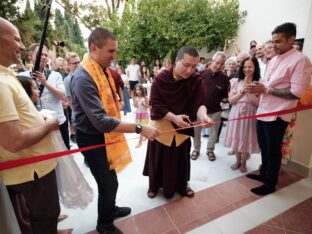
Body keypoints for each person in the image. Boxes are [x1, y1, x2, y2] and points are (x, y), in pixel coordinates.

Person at [70, 27, 159, 234]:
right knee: (108, 183)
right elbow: (101, 121)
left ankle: (110, 208)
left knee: (111, 179)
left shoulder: (100, 69)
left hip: (103, 135)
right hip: (93, 138)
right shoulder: (84, 77)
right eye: (111, 51)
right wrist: (139, 128)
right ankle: (104, 225)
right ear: (94, 48)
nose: (114, 56)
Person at [0, 17, 60, 234]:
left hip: (32, 169)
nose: (23, 46)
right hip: (32, 171)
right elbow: (13, 141)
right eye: (16, 39)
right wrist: (49, 124)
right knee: (44, 221)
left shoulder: (6, 76)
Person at [245, 22, 312, 195]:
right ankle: (264, 173)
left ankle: (270, 183)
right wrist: (258, 86)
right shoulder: (274, 59)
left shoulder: (301, 60)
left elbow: (296, 93)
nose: (274, 45)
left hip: (278, 115)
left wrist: (265, 89)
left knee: (273, 150)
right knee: (264, 147)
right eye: (273, 41)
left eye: (278, 41)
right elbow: (269, 83)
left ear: (291, 39)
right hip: (264, 110)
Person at [143, 45, 214, 199]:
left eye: (194, 67)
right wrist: (174, 118)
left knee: (180, 159)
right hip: (163, 126)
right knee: (158, 158)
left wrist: (204, 117)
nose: (190, 71)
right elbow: (155, 104)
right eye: (186, 65)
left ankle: (182, 185)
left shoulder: (196, 80)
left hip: (182, 127)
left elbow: (200, 103)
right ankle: (153, 185)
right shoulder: (161, 79)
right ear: (177, 60)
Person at [224, 57, 260, 173]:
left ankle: (244, 162)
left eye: (250, 66)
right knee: (236, 138)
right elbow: (231, 101)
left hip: (250, 113)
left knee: (246, 138)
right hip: (236, 113)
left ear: (255, 68)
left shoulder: (259, 83)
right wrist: (241, 91)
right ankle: (238, 160)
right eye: (244, 67)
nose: (247, 69)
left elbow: (258, 103)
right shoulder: (235, 81)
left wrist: (249, 90)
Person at [191, 51, 229, 161]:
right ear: (212, 61)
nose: (219, 66)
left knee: (214, 132)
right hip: (198, 110)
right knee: (196, 131)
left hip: (215, 111)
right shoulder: (200, 74)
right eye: (217, 63)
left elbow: (224, 96)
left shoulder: (224, 78)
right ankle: (196, 149)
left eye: (222, 64)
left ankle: (210, 150)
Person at [133, 84, 150, 148]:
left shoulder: (145, 97)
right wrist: (136, 102)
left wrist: (143, 104)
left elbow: (148, 107)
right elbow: (135, 106)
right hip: (138, 114)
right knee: (139, 127)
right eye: (136, 90)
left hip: (144, 114)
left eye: (139, 89)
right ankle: (144, 136)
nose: (137, 91)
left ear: (142, 90)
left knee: (142, 128)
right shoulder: (135, 97)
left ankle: (140, 142)